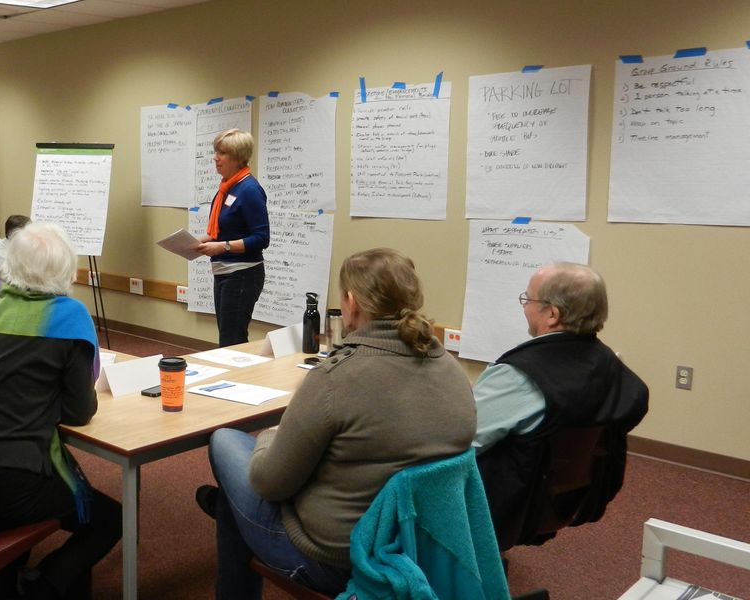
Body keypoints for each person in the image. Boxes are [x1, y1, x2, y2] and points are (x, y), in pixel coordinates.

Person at [199, 248, 476, 599]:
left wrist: (271, 435)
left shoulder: (334, 378)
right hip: (421, 549)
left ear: (351, 302)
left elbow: (270, 483)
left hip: (335, 560)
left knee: (226, 440)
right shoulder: (454, 372)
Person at [0, 222, 121, 600]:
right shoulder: (69, 318)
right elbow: (80, 412)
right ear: (66, 270)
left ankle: (5, 579)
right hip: (13, 487)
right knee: (109, 520)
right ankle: (44, 585)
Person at [472, 263, 649, 547]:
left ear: (552, 314)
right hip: (566, 500)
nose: (525, 307)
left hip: (503, 504)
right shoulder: (613, 368)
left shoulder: (518, 376)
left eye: (527, 299)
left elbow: (459, 440)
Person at [194, 128, 270, 347]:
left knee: (232, 340)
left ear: (238, 158)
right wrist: (200, 241)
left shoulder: (249, 190)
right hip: (224, 272)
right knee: (228, 337)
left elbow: (261, 238)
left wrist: (222, 247)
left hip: (243, 274)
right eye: (216, 152)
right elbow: (223, 230)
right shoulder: (226, 188)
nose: (215, 158)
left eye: (222, 153)